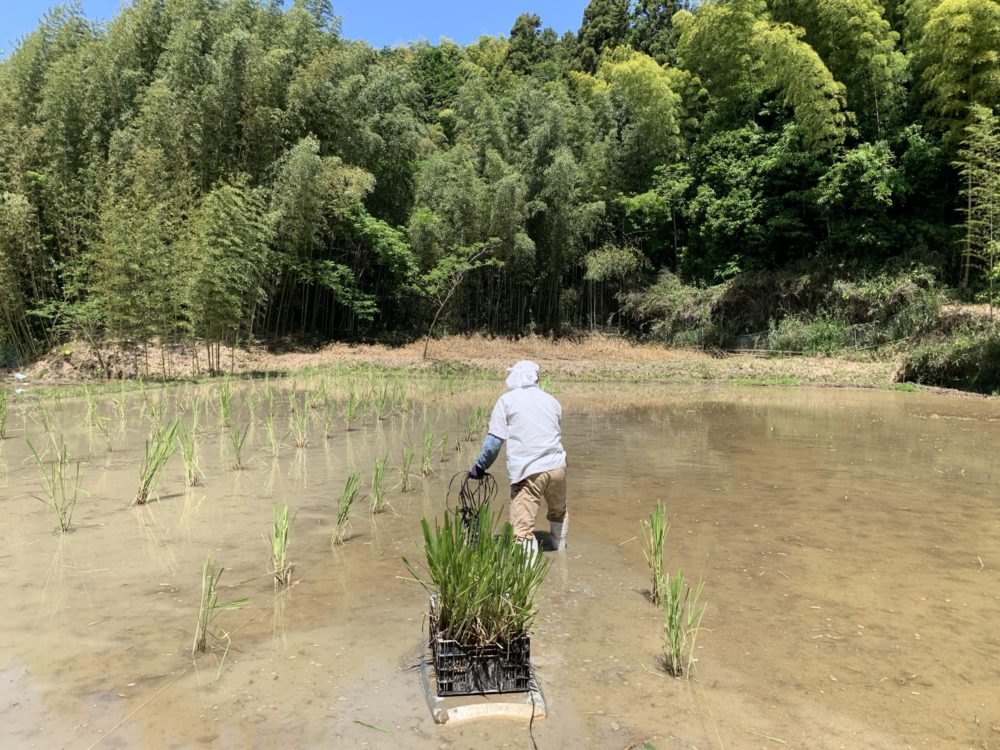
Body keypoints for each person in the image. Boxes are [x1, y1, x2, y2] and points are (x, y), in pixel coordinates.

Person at [469, 360, 568, 554]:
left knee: (521, 530)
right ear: (536, 378)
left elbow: (494, 441)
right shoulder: (552, 401)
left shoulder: (507, 400)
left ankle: (527, 580)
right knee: (558, 513)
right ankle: (562, 555)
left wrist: (480, 466)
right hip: (558, 467)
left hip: (528, 472)